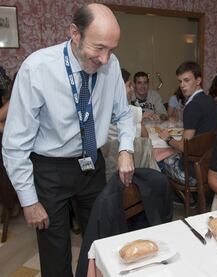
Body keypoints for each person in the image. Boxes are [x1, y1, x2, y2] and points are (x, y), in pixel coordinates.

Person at [2, 4, 135, 276]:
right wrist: (28, 201)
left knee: (100, 242)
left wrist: (125, 149)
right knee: (55, 251)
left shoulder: (111, 66)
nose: (106, 59)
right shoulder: (37, 69)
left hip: (92, 165)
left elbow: (123, 114)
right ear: (75, 33)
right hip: (50, 170)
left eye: (112, 49)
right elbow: (15, 144)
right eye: (99, 48)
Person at [158, 61, 217, 185]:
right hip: (213, 169)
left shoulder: (192, 106)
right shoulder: (213, 102)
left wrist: (168, 138)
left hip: (193, 173)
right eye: (180, 81)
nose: (182, 85)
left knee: (158, 161)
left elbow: (184, 147)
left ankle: (178, 199)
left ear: (198, 81)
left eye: (186, 80)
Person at [108, 68, 148, 139]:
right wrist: (139, 120)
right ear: (119, 88)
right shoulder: (130, 111)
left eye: (145, 82)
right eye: (129, 85)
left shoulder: (106, 110)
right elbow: (145, 137)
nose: (132, 89)